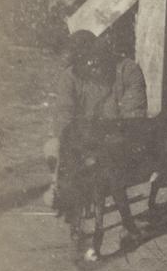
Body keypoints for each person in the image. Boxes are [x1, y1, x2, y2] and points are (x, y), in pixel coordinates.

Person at [43, 30, 148, 207]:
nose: (93, 67)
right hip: (84, 141)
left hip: (117, 140)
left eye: (96, 60)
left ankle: (109, 185)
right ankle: (61, 186)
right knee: (52, 147)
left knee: (114, 167)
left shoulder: (128, 70)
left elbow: (134, 119)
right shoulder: (70, 76)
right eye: (85, 63)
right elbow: (63, 115)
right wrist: (73, 146)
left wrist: (106, 144)